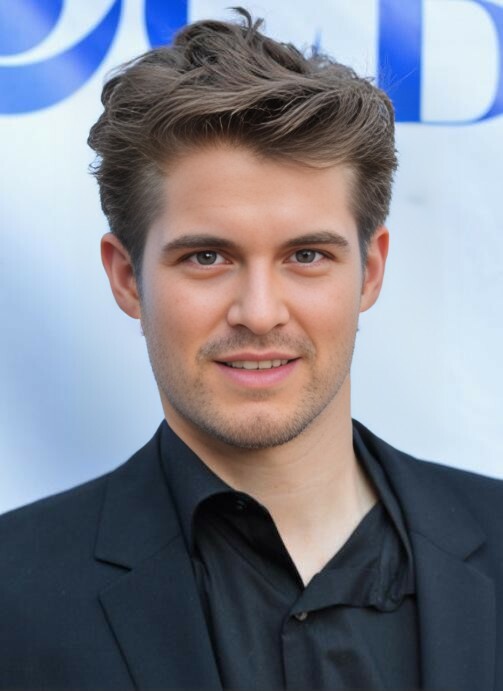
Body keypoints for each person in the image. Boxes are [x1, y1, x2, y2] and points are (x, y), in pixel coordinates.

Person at [0, 8, 502, 691]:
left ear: (370, 271)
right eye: (207, 257)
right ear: (126, 278)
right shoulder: (13, 592)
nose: (260, 313)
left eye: (306, 255)